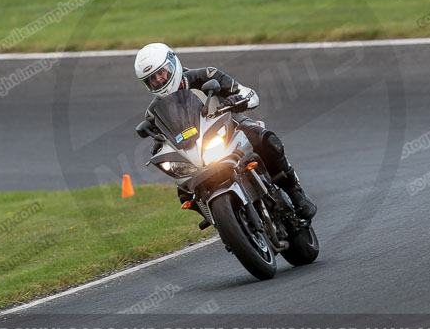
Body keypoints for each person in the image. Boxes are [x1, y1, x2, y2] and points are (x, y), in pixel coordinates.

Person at [134, 42, 316, 220]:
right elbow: (161, 140)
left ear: (172, 65)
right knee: (184, 192)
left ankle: (295, 192)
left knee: (265, 140)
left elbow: (246, 92)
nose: (159, 80)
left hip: (228, 125)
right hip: (197, 151)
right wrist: (157, 149)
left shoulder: (206, 75)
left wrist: (236, 100)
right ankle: (220, 221)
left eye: (161, 73)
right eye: (152, 79)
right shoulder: (153, 113)